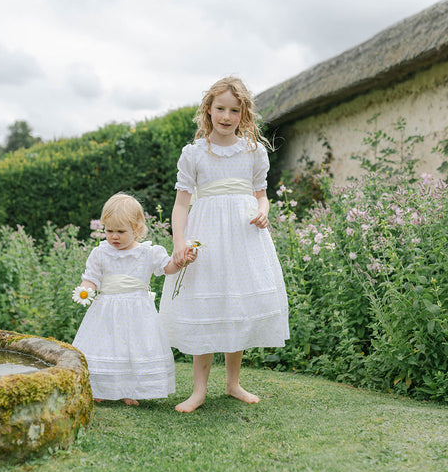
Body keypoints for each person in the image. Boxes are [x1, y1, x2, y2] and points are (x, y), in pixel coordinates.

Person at [159, 76, 289, 413]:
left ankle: (232, 384)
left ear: (243, 113)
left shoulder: (254, 152)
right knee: (206, 306)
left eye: (234, 110)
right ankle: (198, 390)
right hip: (207, 239)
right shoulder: (194, 154)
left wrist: (262, 212)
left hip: (244, 239)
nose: (227, 116)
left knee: (237, 308)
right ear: (208, 110)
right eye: (220, 108)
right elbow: (181, 204)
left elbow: (261, 195)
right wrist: (179, 241)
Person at [72, 193, 196, 405]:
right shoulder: (100, 253)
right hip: (106, 309)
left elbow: (168, 268)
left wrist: (182, 262)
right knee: (105, 346)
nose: (114, 237)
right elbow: (91, 278)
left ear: (137, 229)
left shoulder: (148, 253)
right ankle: (101, 388)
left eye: (120, 231)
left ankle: (131, 389)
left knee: (134, 349)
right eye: (109, 231)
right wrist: (85, 289)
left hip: (137, 311)